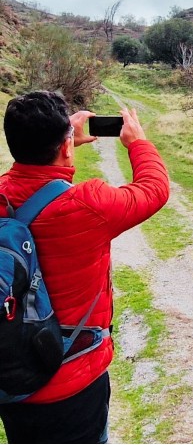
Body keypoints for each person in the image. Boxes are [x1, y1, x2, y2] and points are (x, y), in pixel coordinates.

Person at [0, 91, 170, 443]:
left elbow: (28, 182)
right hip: (72, 383)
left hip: (11, 380)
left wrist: (60, 145)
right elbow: (154, 189)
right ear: (65, 145)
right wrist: (138, 143)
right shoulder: (89, 204)